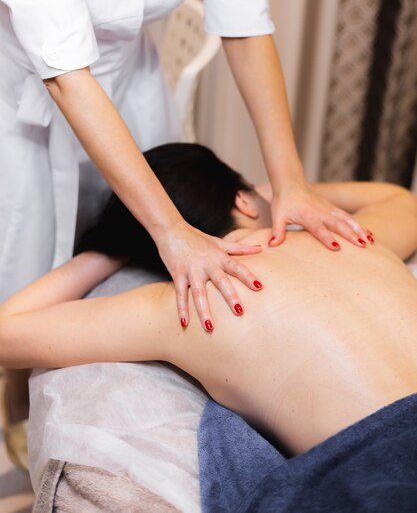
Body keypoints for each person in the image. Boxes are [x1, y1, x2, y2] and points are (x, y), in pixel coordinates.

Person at [0, 0, 369, 460]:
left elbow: (244, 23)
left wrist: (291, 180)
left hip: (132, 95)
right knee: (22, 270)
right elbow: (65, 74)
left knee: (121, 260)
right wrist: (169, 231)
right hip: (27, 103)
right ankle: (17, 407)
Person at [1, 143, 417, 508]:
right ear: (244, 202)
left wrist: (108, 251)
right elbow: (398, 198)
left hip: (376, 466)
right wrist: (276, 191)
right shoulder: (346, 236)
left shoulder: (185, 304)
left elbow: (7, 331)